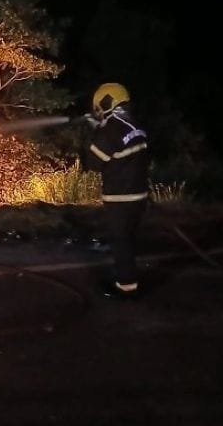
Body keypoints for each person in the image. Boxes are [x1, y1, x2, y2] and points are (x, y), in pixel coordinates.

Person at [83, 82, 150, 299]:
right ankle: (127, 276)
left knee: (121, 242)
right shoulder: (134, 125)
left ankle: (126, 287)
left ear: (106, 102)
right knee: (128, 239)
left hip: (120, 197)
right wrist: (101, 127)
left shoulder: (110, 130)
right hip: (139, 195)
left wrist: (96, 131)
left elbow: (93, 163)